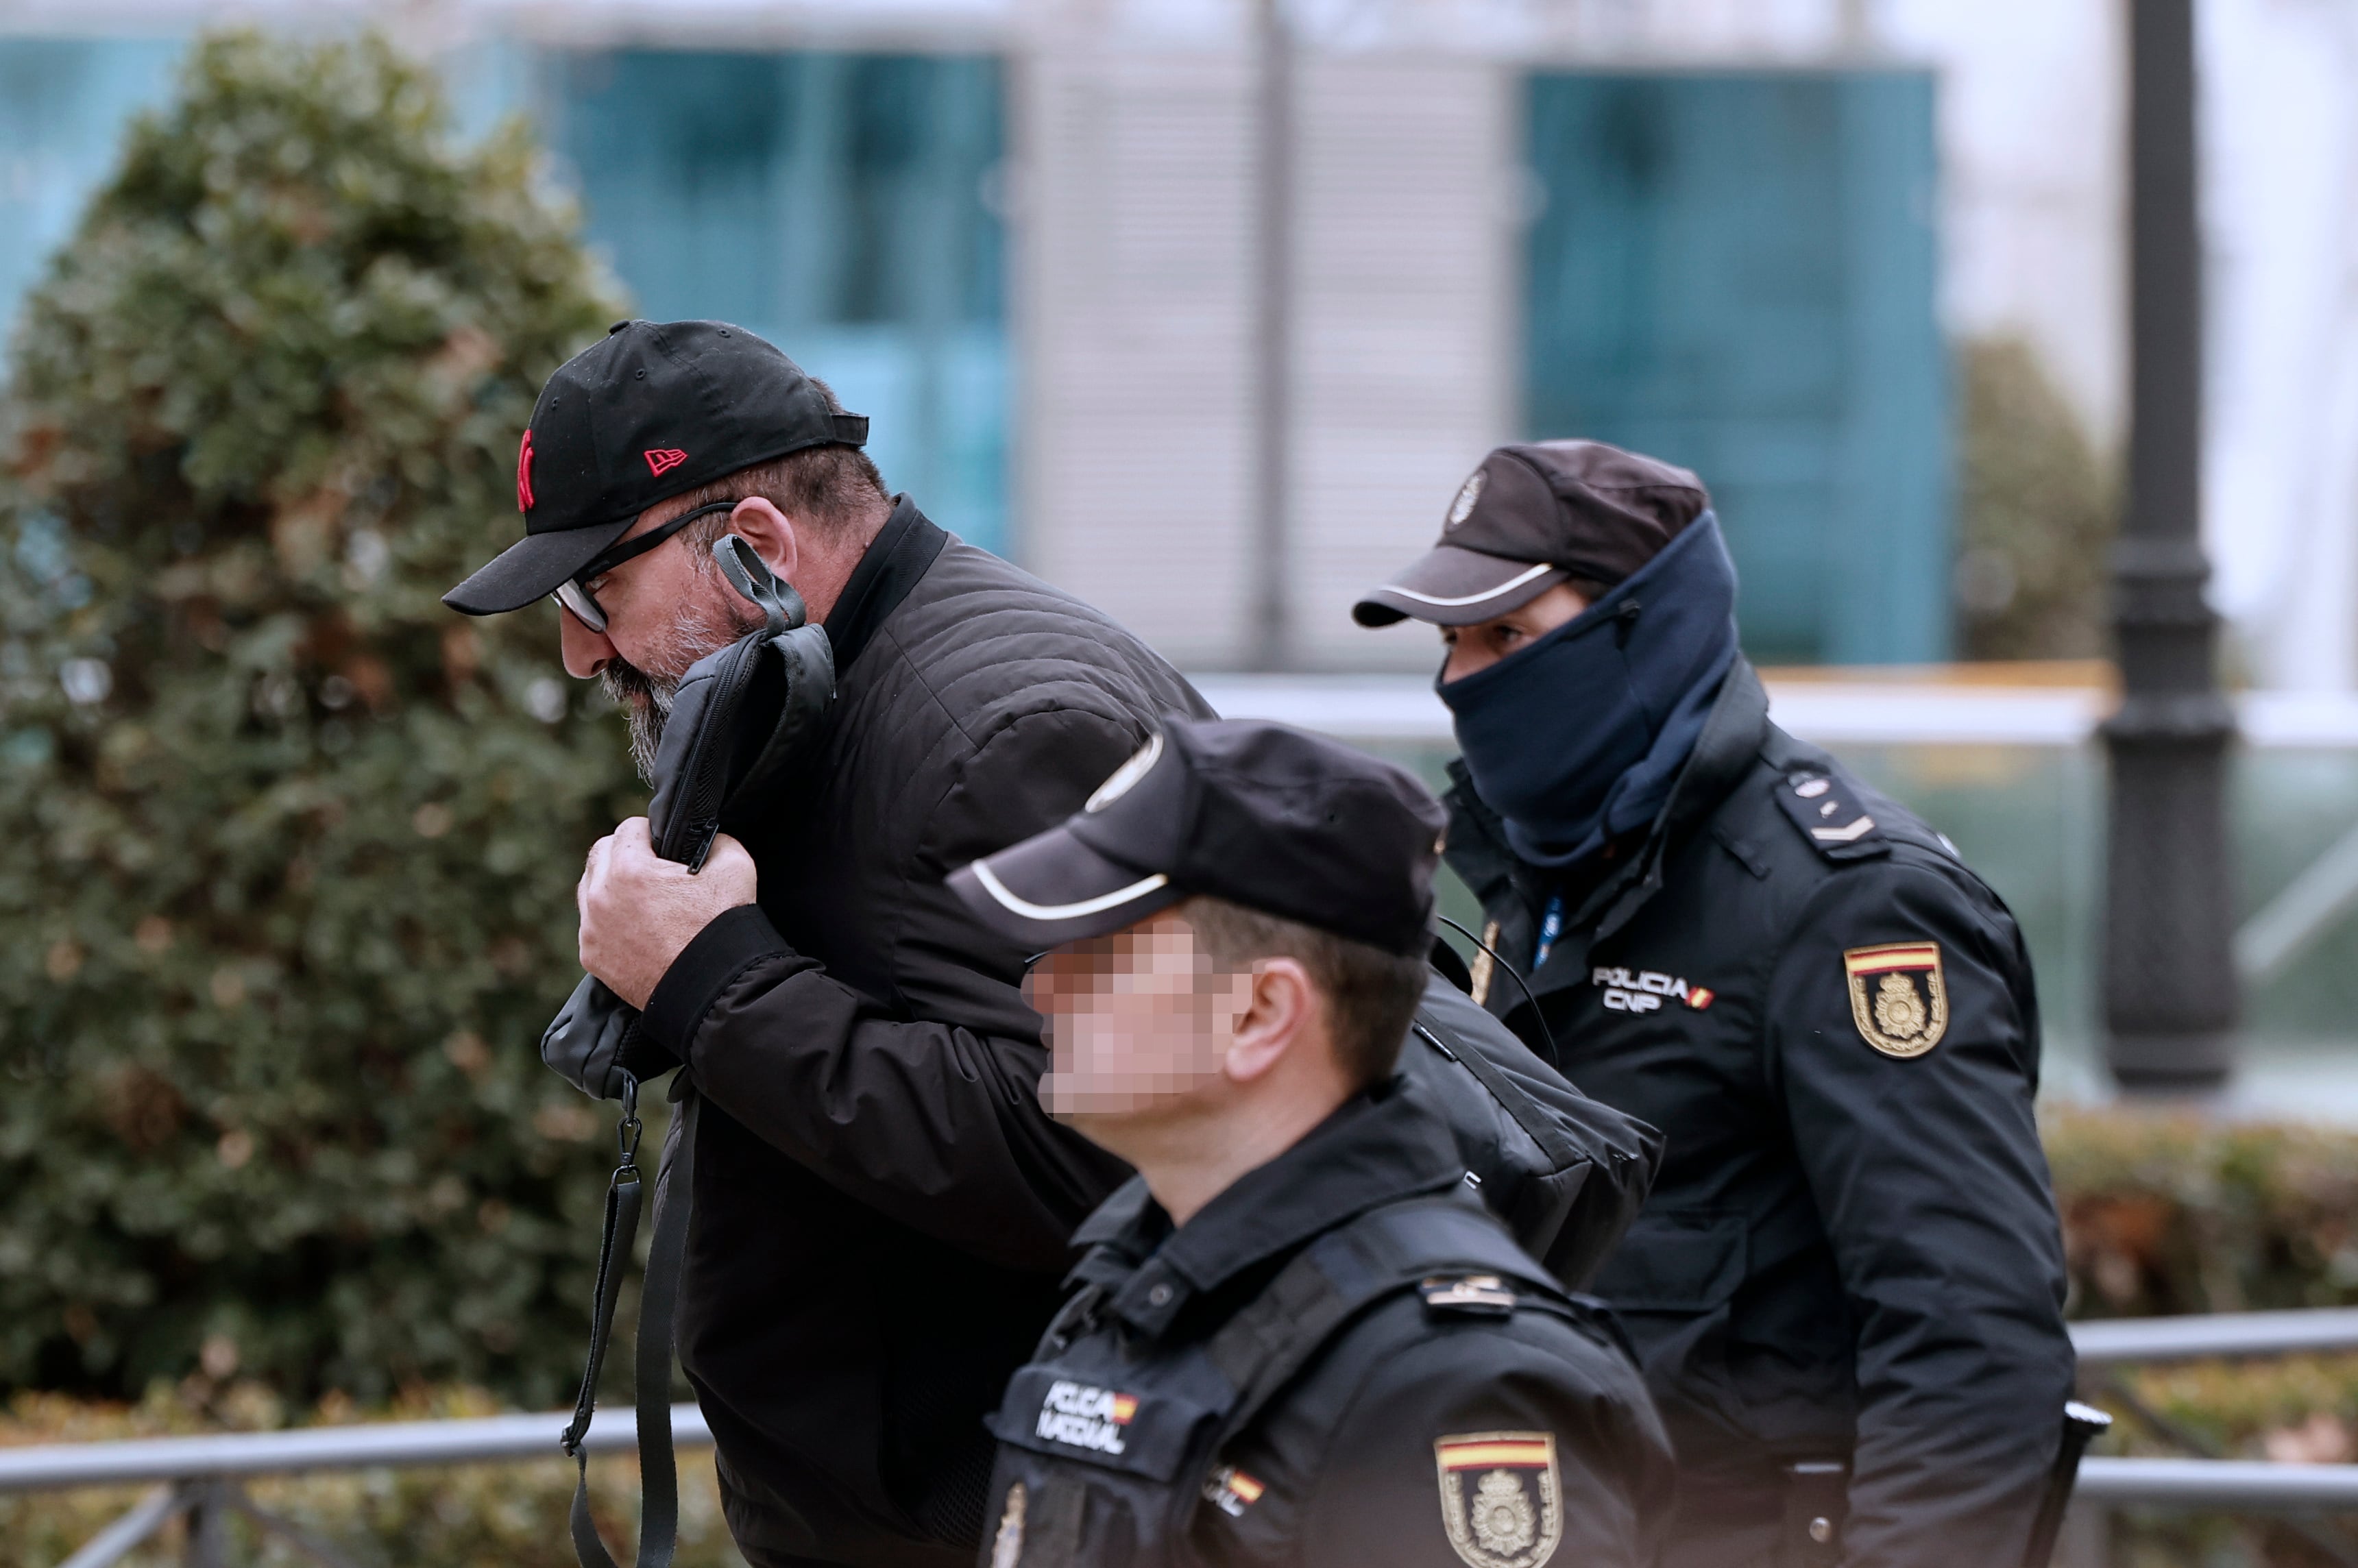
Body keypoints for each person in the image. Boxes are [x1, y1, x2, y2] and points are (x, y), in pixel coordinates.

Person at [443, 319, 1211, 1567]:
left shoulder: (1002, 729)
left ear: (757, 548)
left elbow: (1107, 1159)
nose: (581, 648)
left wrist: (712, 977)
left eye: (597, 591)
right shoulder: (830, 681)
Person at [1352, 439, 2077, 1568]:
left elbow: (1971, 1339)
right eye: (1452, 642)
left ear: (1648, 628)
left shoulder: (1851, 905)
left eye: (1509, 637)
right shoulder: (1528, 878)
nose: (1462, 682)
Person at [945, 717, 1676, 1568]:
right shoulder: (1134, 1288)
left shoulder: (1456, 1384)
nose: (1043, 985)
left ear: (1260, 1012)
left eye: (1103, 950)